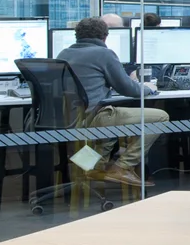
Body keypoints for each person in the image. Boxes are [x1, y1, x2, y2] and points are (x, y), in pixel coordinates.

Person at [57, 14, 168, 185]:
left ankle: (94, 167)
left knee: (109, 126)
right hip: (93, 118)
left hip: (69, 120)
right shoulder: (104, 53)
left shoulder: (63, 53)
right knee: (160, 117)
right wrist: (148, 89)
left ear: (77, 36)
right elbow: (128, 89)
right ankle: (122, 167)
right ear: (105, 36)